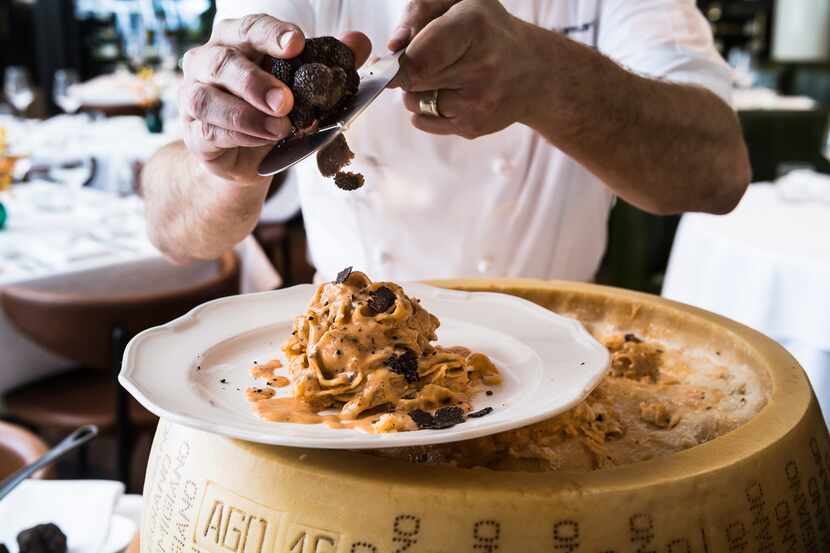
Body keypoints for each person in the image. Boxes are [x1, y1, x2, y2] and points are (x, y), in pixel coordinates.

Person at [141, 0, 751, 283]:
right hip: (356, 349)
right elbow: (172, 232)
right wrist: (223, 165)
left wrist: (551, 78)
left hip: (558, 346)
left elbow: (718, 171)